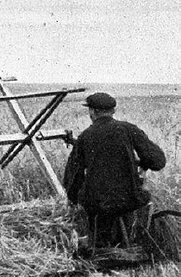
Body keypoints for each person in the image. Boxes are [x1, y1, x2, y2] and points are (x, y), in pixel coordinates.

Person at [64, 92, 166, 248]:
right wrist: (143, 165)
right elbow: (158, 161)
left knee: (96, 220)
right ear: (113, 111)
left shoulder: (85, 136)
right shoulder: (128, 129)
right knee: (134, 204)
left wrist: (73, 201)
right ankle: (131, 240)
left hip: (97, 204)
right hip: (131, 199)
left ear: (93, 111)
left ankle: (98, 245)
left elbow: (73, 177)